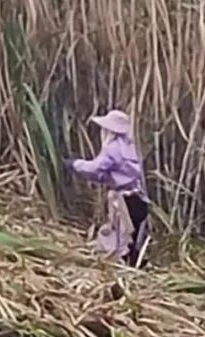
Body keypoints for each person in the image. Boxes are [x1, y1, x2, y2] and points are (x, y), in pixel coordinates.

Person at [64, 109, 151, 267]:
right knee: (132, 240)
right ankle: (135, 268)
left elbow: (95, 168)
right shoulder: (131, 148)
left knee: (118, 239)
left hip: (124, 201)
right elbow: (106, 175)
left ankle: (120, 270)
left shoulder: (113, 148)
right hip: (138, 199)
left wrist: (75, 164)